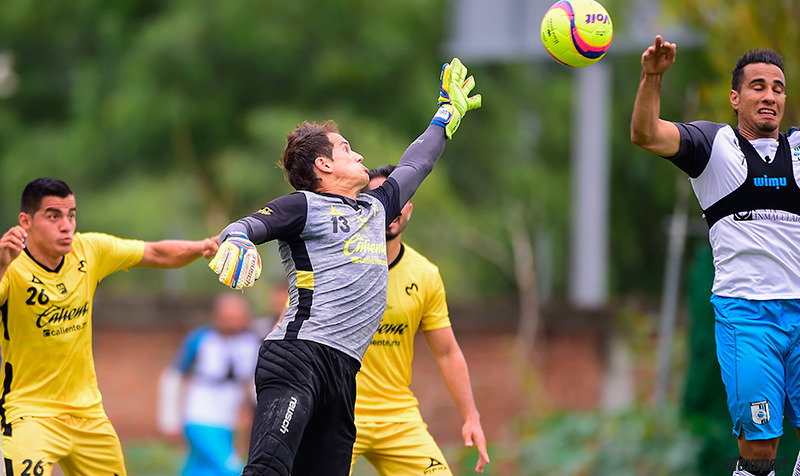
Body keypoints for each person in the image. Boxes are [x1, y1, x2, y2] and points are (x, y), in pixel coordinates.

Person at [207, 58, 481, 476]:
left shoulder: (375, 208)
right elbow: (248, 224)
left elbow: (415, 164)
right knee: (268, 469)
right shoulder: (305, 206)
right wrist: (237, 239)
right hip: (298, 358)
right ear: (323, 165)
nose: (361, 155)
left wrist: (444, 116)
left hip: (342, 370)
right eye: (347, 149)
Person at [631, 36, 800, 476]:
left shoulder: (799, 151)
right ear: (735, 97)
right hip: (747, 317)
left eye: (778, 89)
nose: (769, 96)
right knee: (761, 448)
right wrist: (652, 78)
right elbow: (645, 134)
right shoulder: (715, 145)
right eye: (758, 86)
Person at [0, 177, 219, 476]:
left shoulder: (89, 250)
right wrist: (1, 266)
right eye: (54, 216)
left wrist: (203, 246)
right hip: (30, 414)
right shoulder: (10, 266)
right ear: (25, 221)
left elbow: (155, 253)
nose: (66, 225)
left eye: (71, 215)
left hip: (88, 415)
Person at [349, 165, 490, 475]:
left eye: (398, 199)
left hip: (398, 416)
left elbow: (447, 352)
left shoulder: (425, 275)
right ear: (364, 206)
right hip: (339, 413)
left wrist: (471, 417)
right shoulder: (337, 263)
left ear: (409, 208)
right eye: (381, 199)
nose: (392, 209)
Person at [157, 293, 261, 476]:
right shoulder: (200, 339)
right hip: (200, 418)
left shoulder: (252, 343)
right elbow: (173, 377)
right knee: (231, 468)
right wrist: (169, 420)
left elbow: (253, 383)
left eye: (237, 318)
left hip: (227, 421)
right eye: (227, 317)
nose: (232, 323)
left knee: (201, 469)